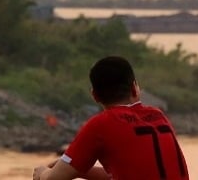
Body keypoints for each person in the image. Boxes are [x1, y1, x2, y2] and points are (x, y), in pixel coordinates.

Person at [33, 56, 189, 180]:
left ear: (94, 96)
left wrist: (42, 172)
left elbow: (53, 179)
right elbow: (125, 174)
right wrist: (79, 170)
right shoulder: (158, 116)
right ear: (134, 88)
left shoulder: (101, 124)